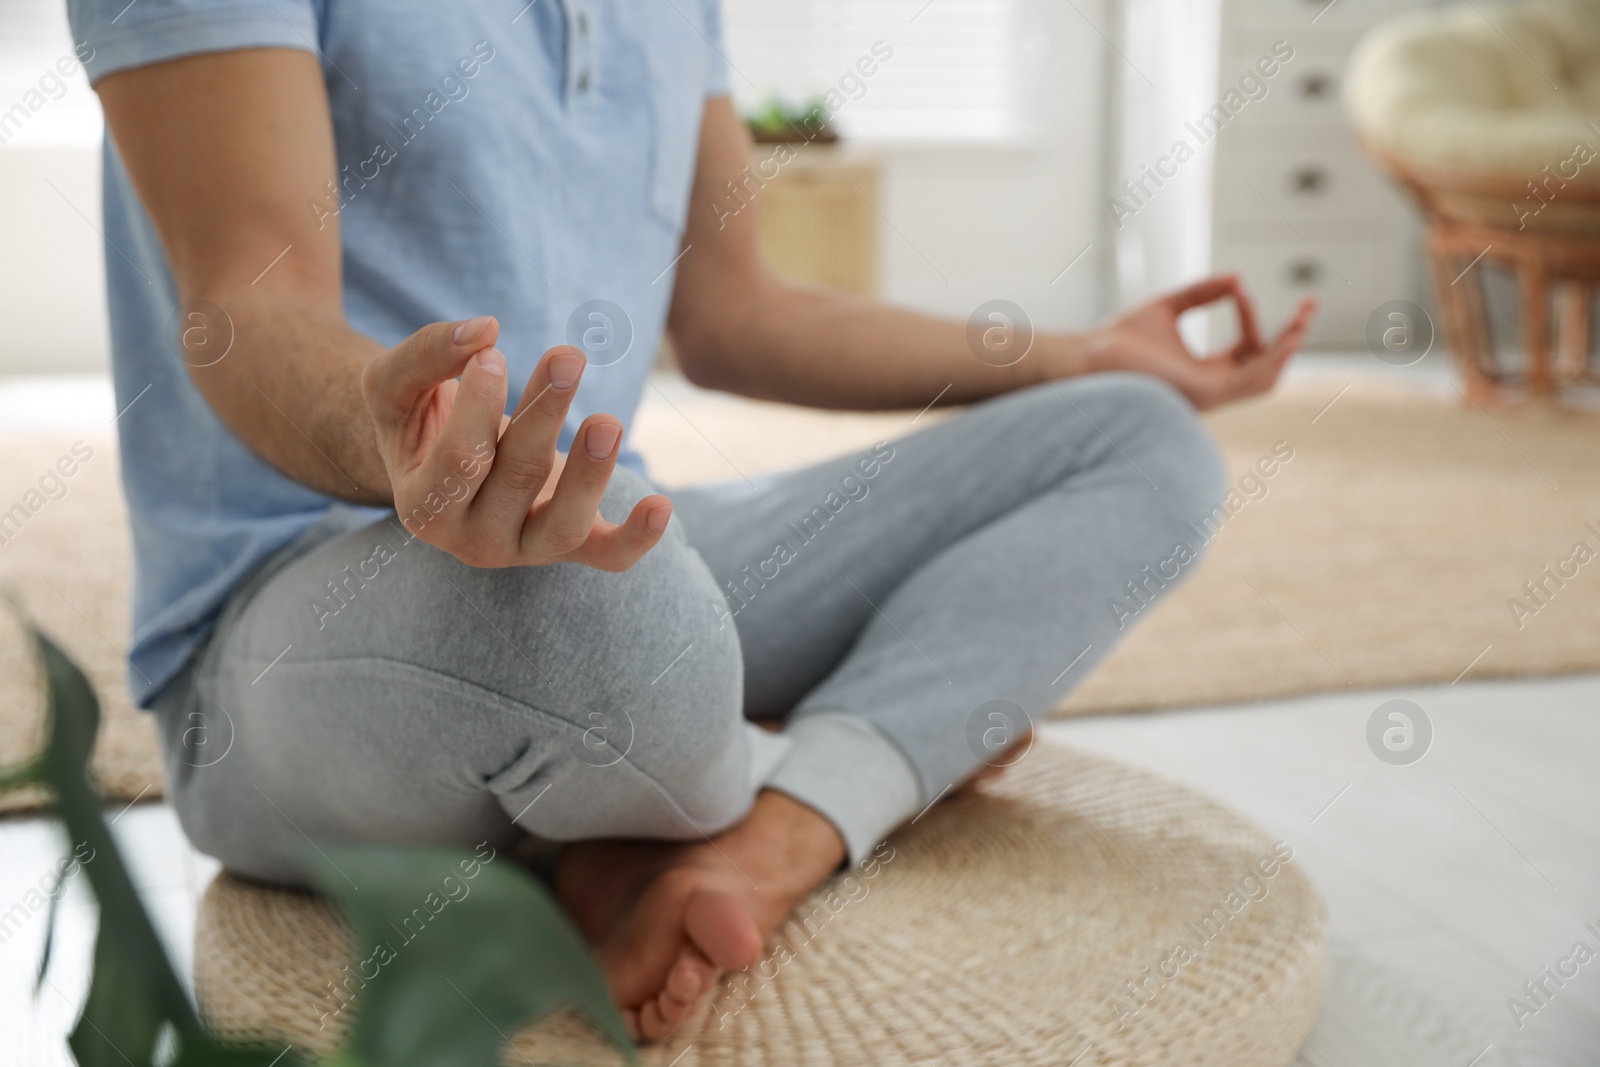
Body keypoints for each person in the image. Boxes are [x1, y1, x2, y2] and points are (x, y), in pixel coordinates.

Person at [69, 0, 1315, 1041]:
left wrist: (1082, 349)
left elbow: (737, 315)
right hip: (288, 635)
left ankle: (774, 827)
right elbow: (246, 298)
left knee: (1138, 437)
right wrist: (390, 436)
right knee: (609, 616)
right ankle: (844, 744)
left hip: (595, 544)